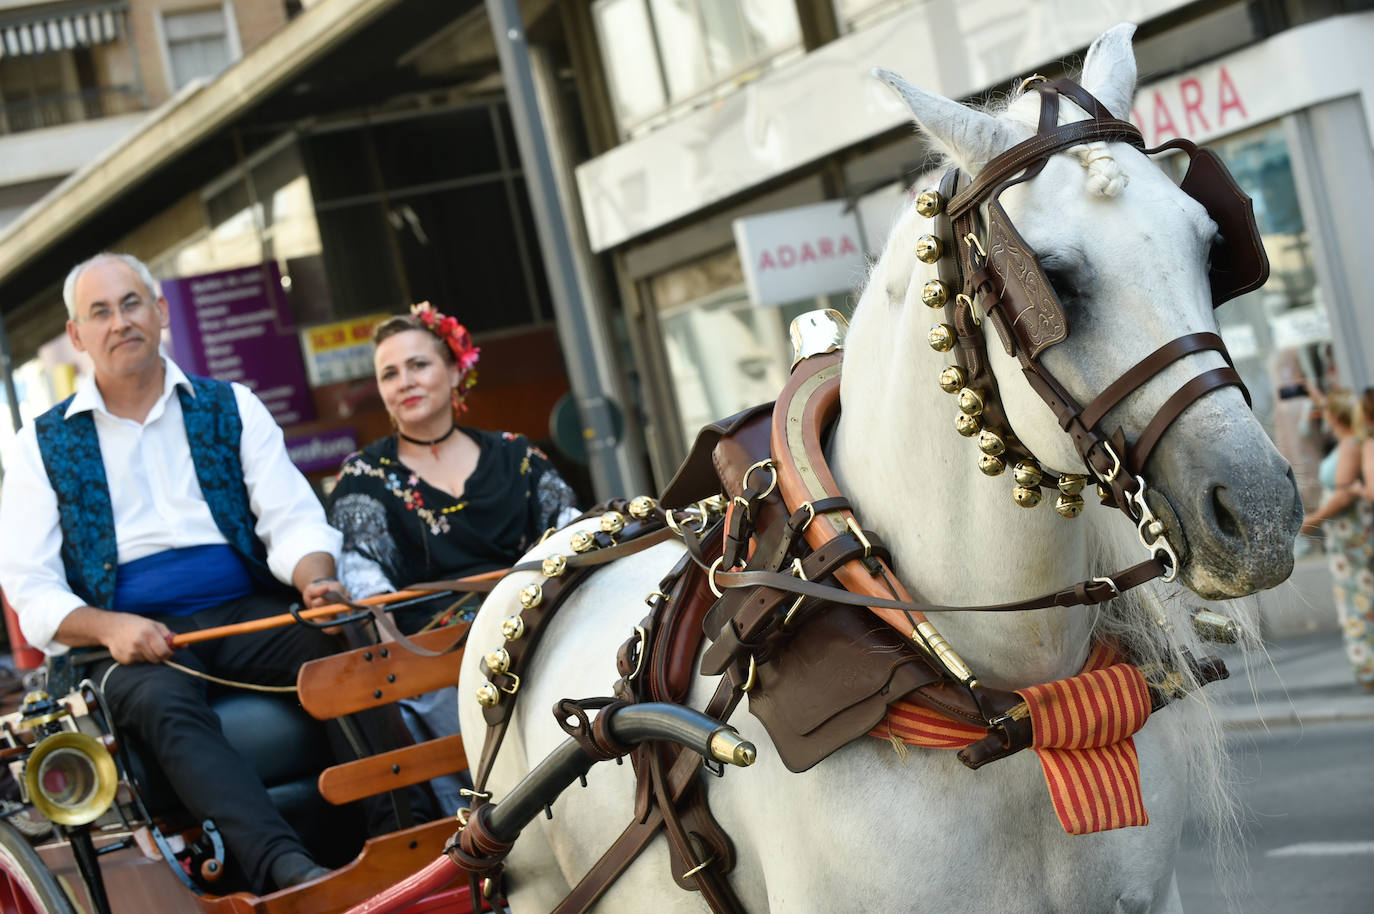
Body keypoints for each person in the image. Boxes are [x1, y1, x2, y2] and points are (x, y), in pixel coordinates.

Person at [0, 253, 355, 893]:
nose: (120, 322)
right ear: (77, 336)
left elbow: (293, 520)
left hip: (248, 611)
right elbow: (32, 590)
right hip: (128, 644)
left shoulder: (231, 406)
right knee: (159, 699)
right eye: (99, 312)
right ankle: (285, 868)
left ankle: (403, 830)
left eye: (131, 303)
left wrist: (314, 581)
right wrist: (110, 627)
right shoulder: (38, 445)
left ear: (160, 312)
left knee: (342, 647)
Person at [326, 303, 578, 812]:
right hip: (433, 657)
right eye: (389, 374)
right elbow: (363, 578)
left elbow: (570, 535)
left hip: (534, 627)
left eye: (418, 365)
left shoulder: (517, 457)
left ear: (455, 370)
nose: (404, 382)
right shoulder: (362, 478)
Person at [1300, 387, 1374, 690]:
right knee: (1356, 598)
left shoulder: (1355, 445)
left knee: (1361, 600)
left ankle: (1368, 668)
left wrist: (1311, 522)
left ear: (1335, 415)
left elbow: (1343, 494)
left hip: (1352, 534)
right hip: (1345, 536)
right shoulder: (1351, 442)